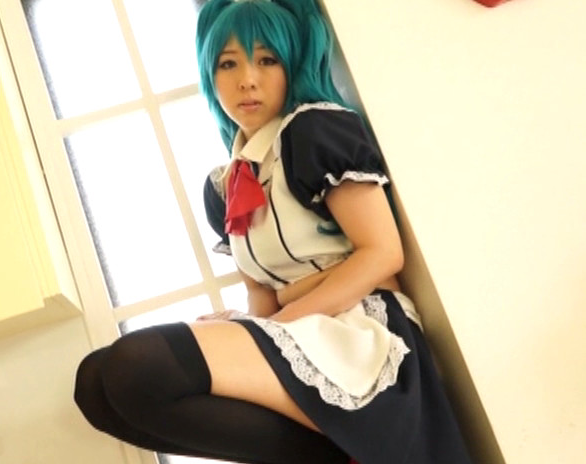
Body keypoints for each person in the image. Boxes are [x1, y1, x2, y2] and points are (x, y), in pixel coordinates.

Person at [74, 0, 473, 463]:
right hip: (300, 336)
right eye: (228, 64)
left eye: (267, 60)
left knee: (136, 366)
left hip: (362, 339)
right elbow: (262, 295)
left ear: (292, 64)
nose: (247, 79)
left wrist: (280, 320)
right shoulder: (224, 186)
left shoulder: (314, 130)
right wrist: (250, 325)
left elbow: (383, 255)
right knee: (95, 387)